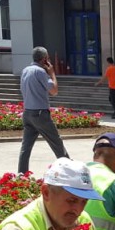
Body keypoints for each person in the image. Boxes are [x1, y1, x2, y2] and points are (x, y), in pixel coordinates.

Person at [18, 46, 70, 175]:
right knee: (56, 142)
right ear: (45, 59)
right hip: (40, 113)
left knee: (26, 146)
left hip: (28, 112)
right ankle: (70, 169)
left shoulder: (25, 70)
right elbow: (54, 91)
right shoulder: (41, 72)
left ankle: (21, 173)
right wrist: (52, 72)